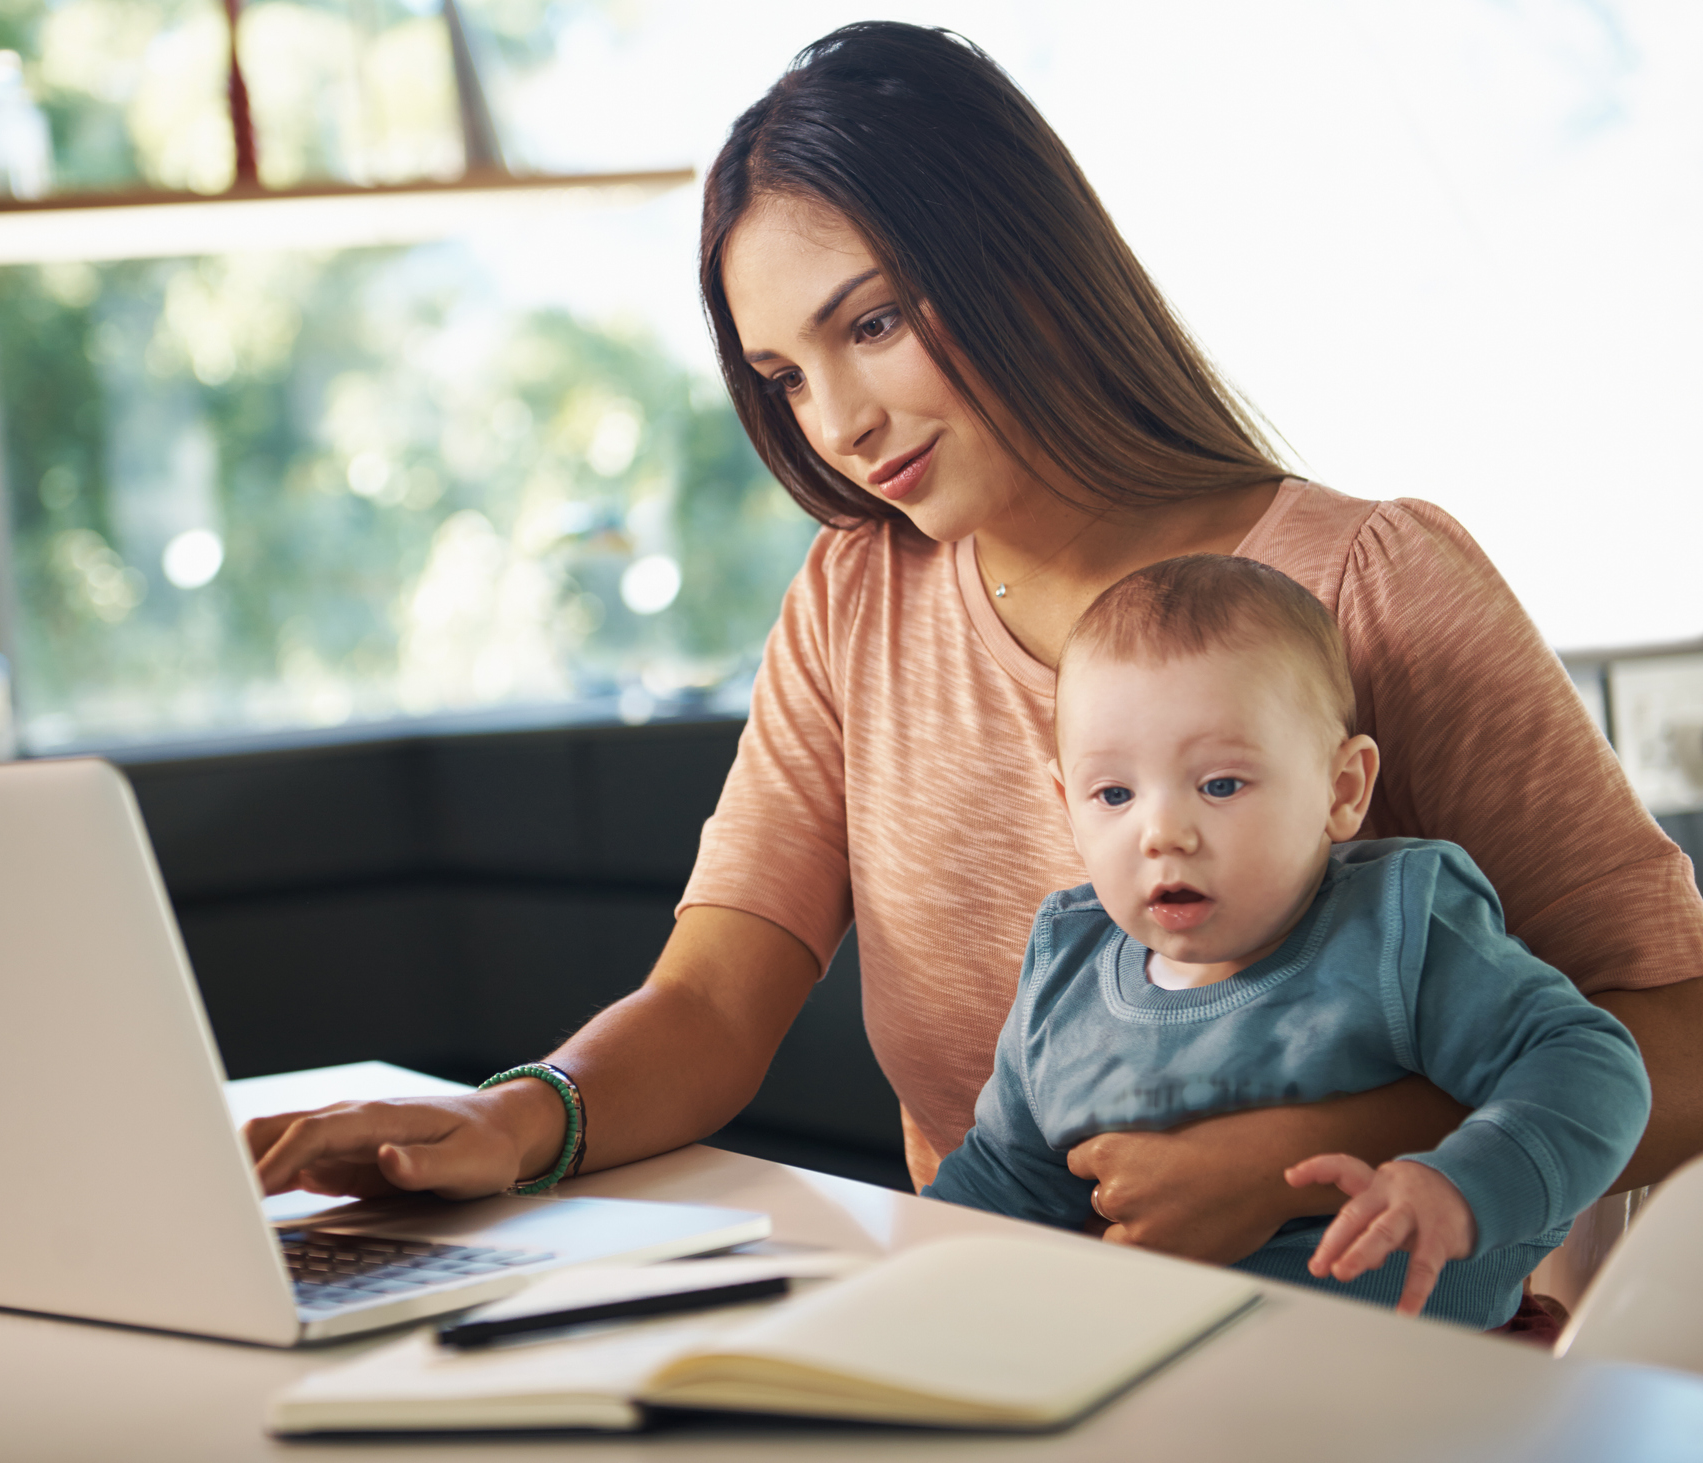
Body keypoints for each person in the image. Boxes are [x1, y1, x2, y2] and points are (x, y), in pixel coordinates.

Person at [243, 24, 1703, 1282]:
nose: (838, 423)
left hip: (1375, 1360)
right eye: (785, 375)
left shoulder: (1372, 584)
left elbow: (1678, 1032)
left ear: (1023, 260)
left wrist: (1303, 1154)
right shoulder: (854, 598)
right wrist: (515, 1115)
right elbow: (709, 1002)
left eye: (872, 322)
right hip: (1010, 1329)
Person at [922, 554, 1650, 1327]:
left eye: (1221, 784)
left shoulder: (1398, 927)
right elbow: (998, 1187)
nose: (1162, 832)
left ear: (1343, 789)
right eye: (1113, 793)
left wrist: (1464, 1186)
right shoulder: (1065, 973)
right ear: (1066, 803)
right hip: (1142, 1364)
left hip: (1418, 1374)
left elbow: (1590, 1062)